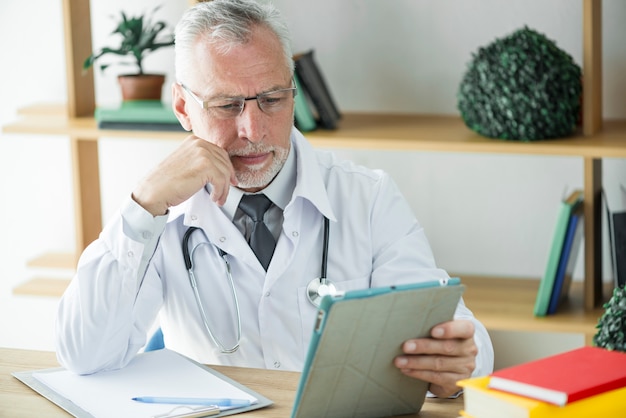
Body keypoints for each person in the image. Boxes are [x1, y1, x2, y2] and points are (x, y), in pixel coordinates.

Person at [55, 0, 493, 398]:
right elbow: (83, 354)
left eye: (271, 99)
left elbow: (452, 328)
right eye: (227, 105)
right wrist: (143, 203)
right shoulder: (158, 216)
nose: (253, 130)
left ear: (292, 91)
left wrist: (457, 365)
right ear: (184, 108)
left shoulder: (368, 197)